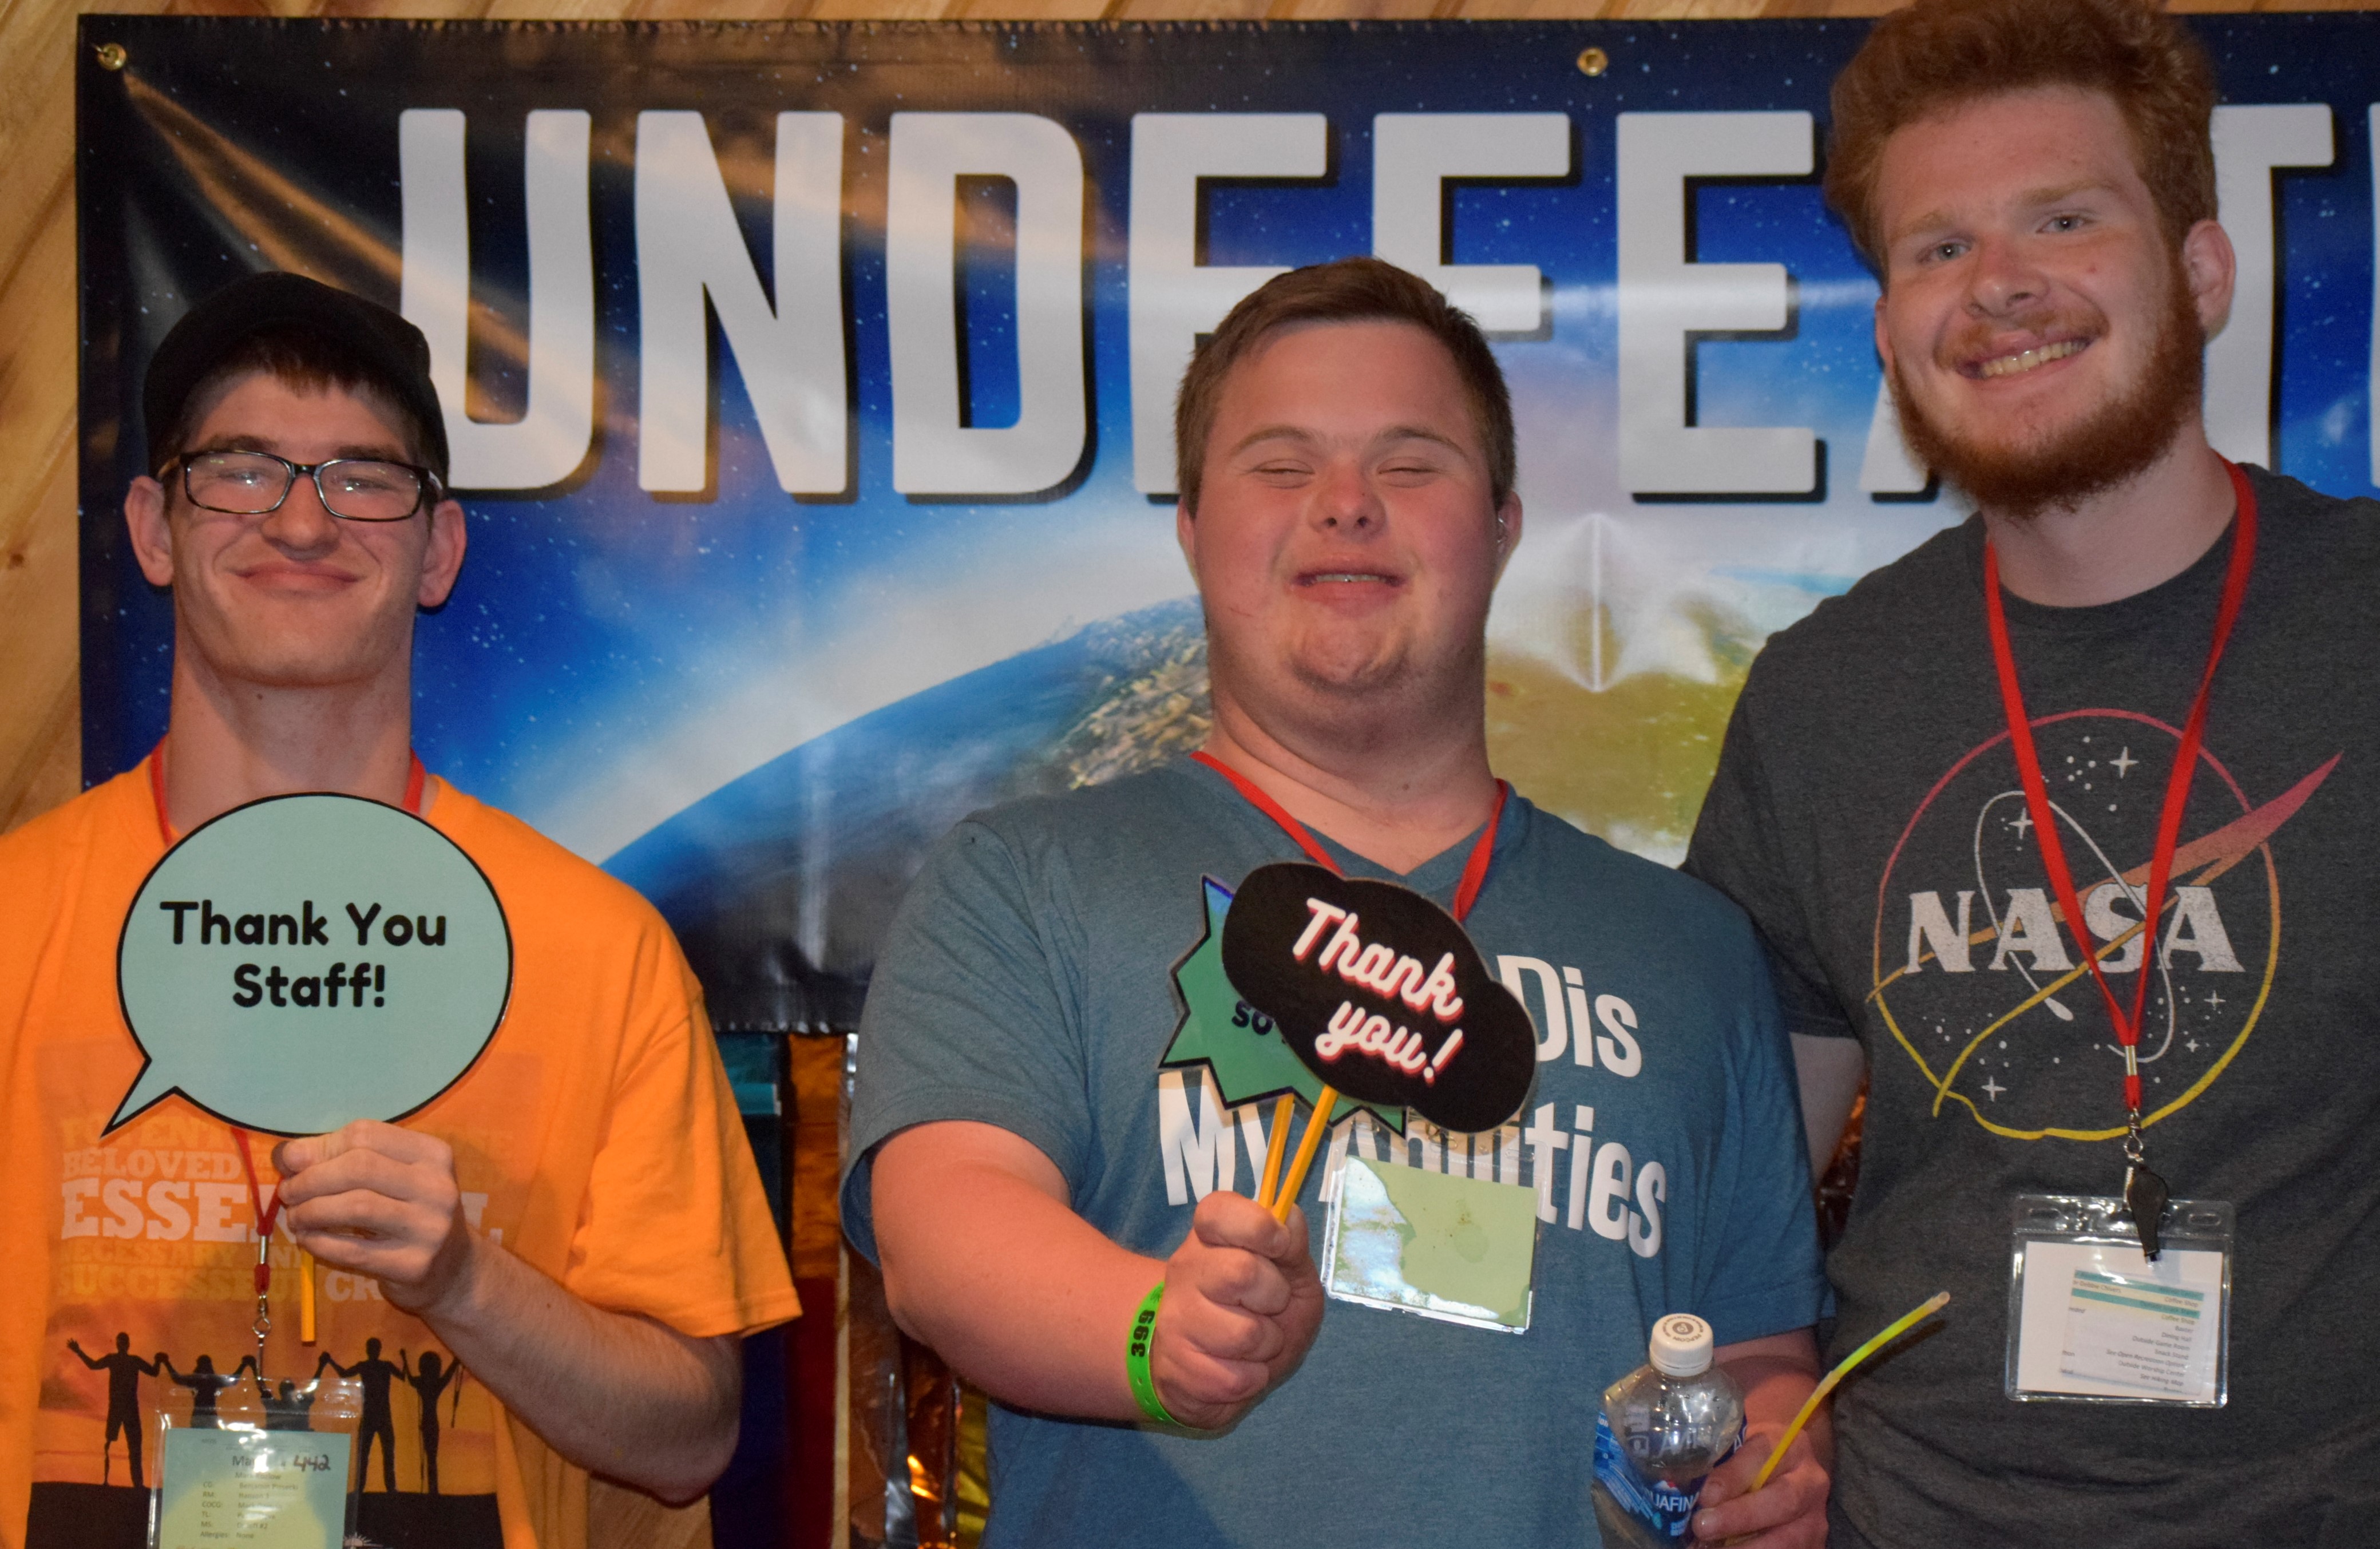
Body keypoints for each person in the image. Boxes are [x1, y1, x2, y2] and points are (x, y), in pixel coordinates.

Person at [844, 257, 1830, 1546]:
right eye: (1280, 464)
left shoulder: (1690, 949)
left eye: (1410, 463)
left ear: (1501, 526)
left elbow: (1750, 1345)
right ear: (1192, 528)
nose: (1347, 504)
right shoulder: (1026, 882)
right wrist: (1153, 1334)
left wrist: (1769, 1462)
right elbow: (943, 1234)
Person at [1682, 1, 2380, 1543]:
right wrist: (1767, 1404)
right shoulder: (1820, 697)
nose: (1996, 282)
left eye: (2061, 219)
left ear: (2201, 272)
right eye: (1936, 247)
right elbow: (1742, 1211)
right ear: (1886, 331)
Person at [0, 272, 799, 1549]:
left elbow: (688, 1438)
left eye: (363, 478)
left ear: (440, 550)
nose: (301, 520)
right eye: (241, 470)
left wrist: (466, 1280)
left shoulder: (599, 952)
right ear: (154, 528)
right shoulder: (16, 920)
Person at [61, 1338, 162, 1487]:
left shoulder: (118, 1360)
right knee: (124, 1446)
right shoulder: (129, 1361)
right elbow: (154, 1372)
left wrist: (79, 1351)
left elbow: (93, 1365)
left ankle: (123, 1482)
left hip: (122, 1408)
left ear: (118, 1344)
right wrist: (159, 1361)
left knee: (120, 1445)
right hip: (126, 1408)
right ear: (128, 1345)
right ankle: (119, 1482)